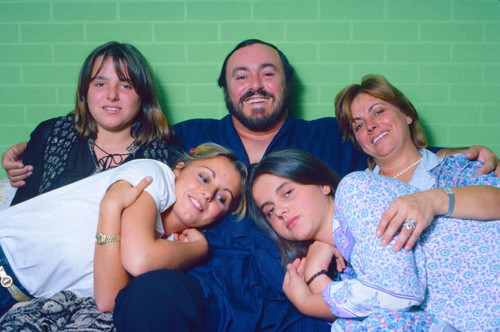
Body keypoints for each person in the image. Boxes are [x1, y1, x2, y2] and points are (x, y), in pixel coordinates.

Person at [3, 39, 500, 331]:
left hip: (296, 290)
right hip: (206, 284)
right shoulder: (191, 137)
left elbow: (388, 148)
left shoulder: (328, 136)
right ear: (227, 89)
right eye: (241, 75)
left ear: (286, 84)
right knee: (148, 299)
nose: (255, 83)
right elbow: (121, 147)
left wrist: (455, 155)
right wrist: (37, 151)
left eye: (268, 73)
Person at [247, 148, 499, 331]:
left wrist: (307, 301)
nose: (279, 210)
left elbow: (398, 290)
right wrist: (315, 274)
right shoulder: (348, 271)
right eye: (269, 211)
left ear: (323, 185)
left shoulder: (354, 189)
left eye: (287, 193)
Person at [0, 143, 247, 319]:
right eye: (204, 178)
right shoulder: (153, 175)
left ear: (217, 218)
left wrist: (110, 210)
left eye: (222, 199)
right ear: (179, 169)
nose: (208, 194)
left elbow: (109, 300)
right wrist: (198, 248)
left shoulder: (169, 245)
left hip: (12, 298)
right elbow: (139, 259)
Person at [4, 41, 183, 205]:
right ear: (85, 91)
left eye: (126, 86)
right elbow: (20, 211)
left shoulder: (165, 153)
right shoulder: (51, 134)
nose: (112, 95)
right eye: (100, 84)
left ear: (143, 95)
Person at [335, 74, 500, 251]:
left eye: (378, 112)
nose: (370, 125)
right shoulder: (356, 192)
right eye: (359, 126)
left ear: (406, 114)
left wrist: (433, 200)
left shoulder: (456, 167)